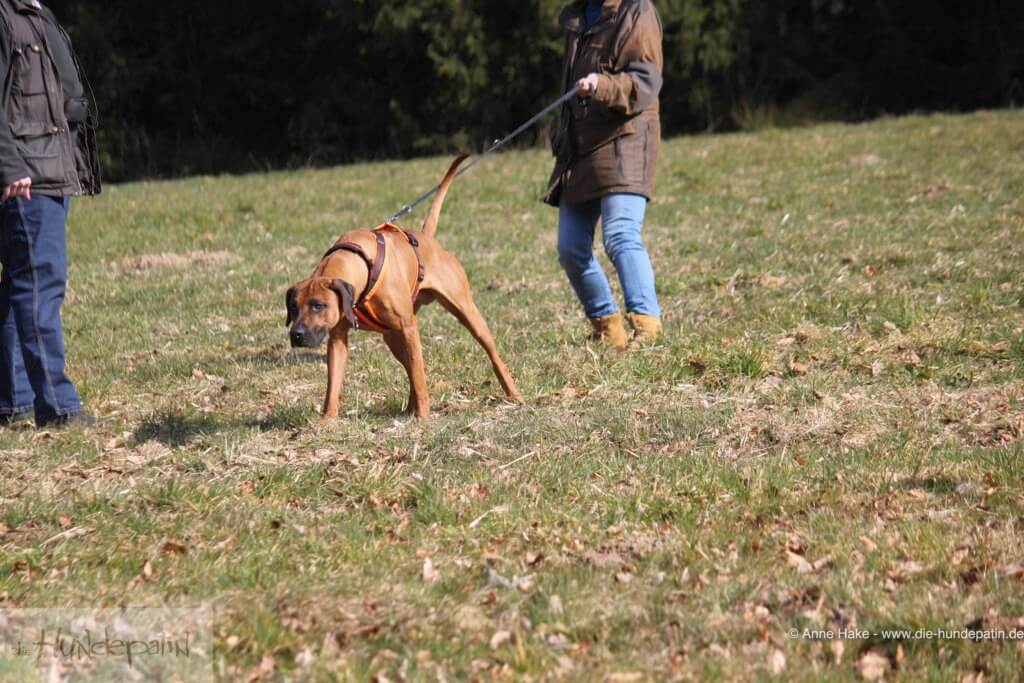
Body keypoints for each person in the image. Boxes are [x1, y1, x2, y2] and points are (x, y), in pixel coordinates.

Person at [0, 0, 101, 427]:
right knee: (40, 286)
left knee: (19, 288)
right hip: (27, 176)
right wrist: (9, 164)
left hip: (47, 169)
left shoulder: (34, 11)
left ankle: (14, 398)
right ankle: (57, 406)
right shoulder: (6, 15)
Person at [544, 0, 663, 351]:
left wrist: (602, 84)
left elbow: (644, 81)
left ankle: (648, 325)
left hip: (625, 137)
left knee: (620, 235)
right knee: (570, 248)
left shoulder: (636, 11)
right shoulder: (578, 15)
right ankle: (607, 329)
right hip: (581, 148)